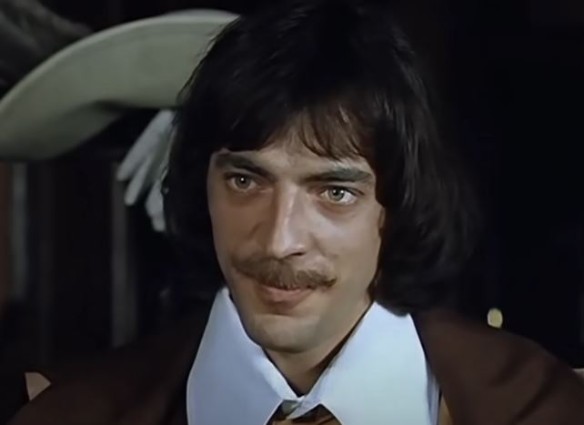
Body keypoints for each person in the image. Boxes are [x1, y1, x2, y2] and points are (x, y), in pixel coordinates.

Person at [6, 0, 584, 424]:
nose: (280, 240)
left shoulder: (546, 407)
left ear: (399, 204)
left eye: (334, 192)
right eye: (245, 180)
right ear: (200, 185)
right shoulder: (70, 412)